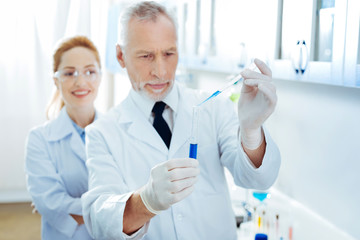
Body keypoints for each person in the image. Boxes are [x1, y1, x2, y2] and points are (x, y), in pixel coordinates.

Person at [82, 1, 280, 239]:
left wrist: (251, 130)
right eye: (146, 56)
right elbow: (101, 222)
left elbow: (257, 178)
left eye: (169, 53)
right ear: (120, 56)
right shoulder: (102, 133)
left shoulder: (213, 108)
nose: (161, 71)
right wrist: (146, 201)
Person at [25, 35, 102, 240]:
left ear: (100, 77)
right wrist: (117, 205)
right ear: (56, 81)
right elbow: (53, 204)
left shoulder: (119, 132)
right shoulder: (39, 139)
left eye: (90, 72)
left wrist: (71, 208)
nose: (81, 81)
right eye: (69, 73)